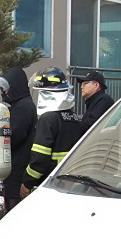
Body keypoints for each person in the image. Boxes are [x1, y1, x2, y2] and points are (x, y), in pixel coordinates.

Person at [21, 67, 81, 199]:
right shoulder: (74, 117)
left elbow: (40, 159)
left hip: (51, 183)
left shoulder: (48, 119)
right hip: (71, 182)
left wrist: (27, 182)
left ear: (46, 94)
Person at [0, 67, 37, 211]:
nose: (3, 92)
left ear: (14, 86)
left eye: (5, 88)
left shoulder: (23, 107)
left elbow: (14, 136)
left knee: (13, 210)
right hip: (16, 170)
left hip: (17, 171)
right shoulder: (21, 105)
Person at [74, 70, 115, 135]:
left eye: (85, 83)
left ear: (96, 85)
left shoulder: (104, 100)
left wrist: (73, 130)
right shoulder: (93, 101)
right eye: (81, 84)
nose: (81, 87)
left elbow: (91, 124)